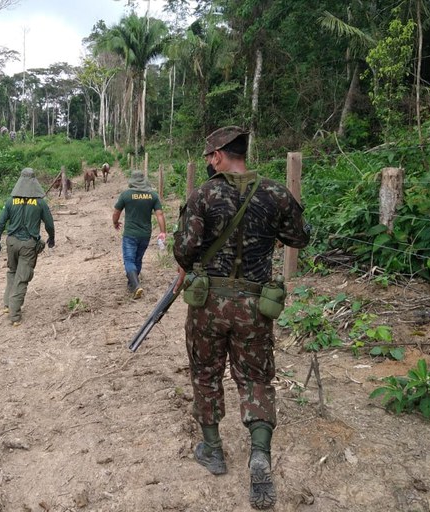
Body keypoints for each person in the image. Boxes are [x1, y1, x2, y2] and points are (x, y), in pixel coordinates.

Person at [172, 126, 310, 510]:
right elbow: (300, 238)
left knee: (205, 373)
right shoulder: (274, 193)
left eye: (208, 157)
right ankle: (260, 454)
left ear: (218, 155)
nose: (207, 163)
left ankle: (213, 450)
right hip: (254, 306)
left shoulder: (202, 195)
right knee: (256, 377)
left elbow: (184, 253)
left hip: (208, 306)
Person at [0, 168, 55, 326]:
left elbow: (0, 223)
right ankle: (14, 315)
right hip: (28, 245)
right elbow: (49, 224)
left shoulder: (10, 201)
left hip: (12, 242)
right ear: (34, 182)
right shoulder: (40, 203)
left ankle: (7, 305)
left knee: (12, 272)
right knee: (22, 278)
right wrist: (51, 239)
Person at [112, 170, 167, 299]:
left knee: (129, 259)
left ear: (132, 181)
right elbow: (160, 214)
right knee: (138, 259)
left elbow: (116, 212)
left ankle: (136, 285)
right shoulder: (152, 196)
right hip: (145, 234)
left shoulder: (126, 195)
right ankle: (132, 283)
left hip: (130, 233)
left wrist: (115, 222)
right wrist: (163, 231)